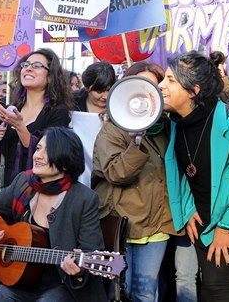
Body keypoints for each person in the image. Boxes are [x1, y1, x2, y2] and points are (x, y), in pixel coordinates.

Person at [0, 127, 106, 302]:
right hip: (22, 281)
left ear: (65, 161)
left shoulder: (84, 199)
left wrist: (79, 271)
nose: (37, 155)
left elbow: (92, 251)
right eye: (38, 148)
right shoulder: (23, 183)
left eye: (47, 151)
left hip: (62, 285)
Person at [158, 51, 229, 301]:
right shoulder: (177, 122)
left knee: (215, 287)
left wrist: (226, 227)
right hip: (202, 223)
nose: (161, 86)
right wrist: (188, 210)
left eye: (170, 80)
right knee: (211, 286)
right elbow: (184, 174)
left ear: (193, 90)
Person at [93, 62, 176, 302]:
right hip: (123, 223)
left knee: (146, 292)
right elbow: (116, 173)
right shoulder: (112, 130)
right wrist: (136, 142)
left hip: (157, 224)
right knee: (121, 291)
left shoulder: (168, 127)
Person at [0, 48, 73, 191]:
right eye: (25, 65)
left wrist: (20, 127)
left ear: (50, 76)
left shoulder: (58, 112)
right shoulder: (12, 108)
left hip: (36, 192)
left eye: (37, 66)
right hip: (5, 192)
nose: (28, 69)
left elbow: (50, 154)